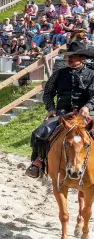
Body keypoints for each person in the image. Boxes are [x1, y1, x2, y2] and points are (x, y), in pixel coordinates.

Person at [27, 44, 94, 178]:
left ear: (82, 58)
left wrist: (87, 107)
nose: (68, 59)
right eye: (68, 56)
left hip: (86, 114)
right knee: (41, 132)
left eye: (72, 57)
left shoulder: (92, 74)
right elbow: (48, 94)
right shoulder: (58, 74)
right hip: (63, 114)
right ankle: (38, 163)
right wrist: (51, 109)